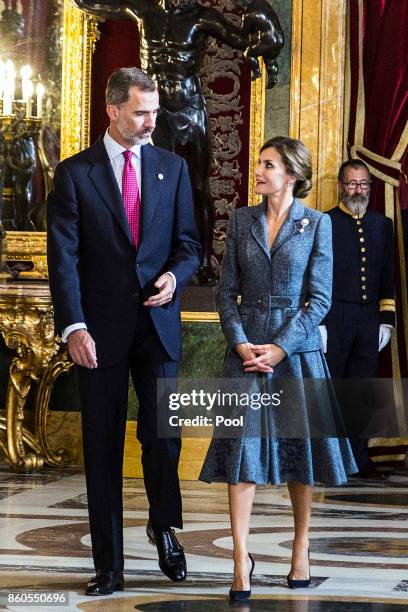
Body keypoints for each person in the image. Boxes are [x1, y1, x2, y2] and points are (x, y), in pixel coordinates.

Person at [47, 67, 200, 596]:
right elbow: (62, 260)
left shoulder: (173, 168)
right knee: (102, 446)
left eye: (154, 111)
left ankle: (164, 525)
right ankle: (109, 564)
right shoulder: (74, 175)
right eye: (141, 112)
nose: (151, 121)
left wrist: (173, 277)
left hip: (157, 327)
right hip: (98, 332)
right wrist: (73, 327)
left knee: (164, 437)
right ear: (112, 111)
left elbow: (189, 246)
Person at [199, 137, 357, 599]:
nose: (259, 170)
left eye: (268, 164)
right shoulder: (243, 218)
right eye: (260, 163)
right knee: (240, 456)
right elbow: (226, 291)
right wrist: (242, 341)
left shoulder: (318, 223)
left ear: (291, 174)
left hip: (297, 354)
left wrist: (281, 348)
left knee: (299, 456)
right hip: (245, 353)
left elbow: (321, 298)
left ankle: (301, 548)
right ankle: (239, 561)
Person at [73, 0, 284, 284]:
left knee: (199, 186)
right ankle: (157, 261)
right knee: (154, 190)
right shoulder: (143, 10)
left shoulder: (201, 17)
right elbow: (93, 5)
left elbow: (245, 41)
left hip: (190, 108)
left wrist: (265, 17)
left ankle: (205, 262)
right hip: (156, 114)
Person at [321, 159, 395, 478]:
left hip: (368, 319)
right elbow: (317, 276)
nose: (358, 190)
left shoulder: (381, 225)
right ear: (340, 186)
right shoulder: (325, 222)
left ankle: (358, 458)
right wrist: (319, 322)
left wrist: (386, 320)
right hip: (335, 316)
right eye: (352, 184)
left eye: (363, 184)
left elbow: (387, 275)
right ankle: (330, 459)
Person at [232, 0, 284, 88]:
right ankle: (273, 77)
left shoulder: (248, 14)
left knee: (248, 53)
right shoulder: (262, 2)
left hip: (268, 41)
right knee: (270, 58)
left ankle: (256, 72)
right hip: (280, 39)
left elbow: (244, 31)